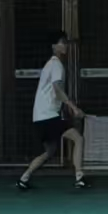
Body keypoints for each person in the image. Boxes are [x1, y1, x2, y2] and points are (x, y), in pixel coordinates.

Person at [16, 31, 85, 190]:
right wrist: (74, 108)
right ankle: (80, 177)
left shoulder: (50, 64)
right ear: (54, 46)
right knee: (78, 138)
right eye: (62, 42)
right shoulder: (56, 64)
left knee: (50, 151)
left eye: (66, 42)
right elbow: (57, 89)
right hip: (48, 116)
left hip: (39, 117)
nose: (65, 45)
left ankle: (24, 178)